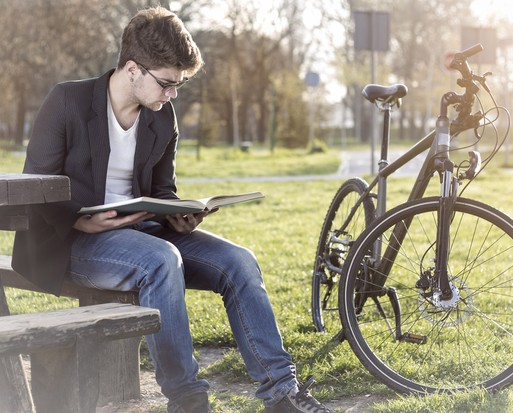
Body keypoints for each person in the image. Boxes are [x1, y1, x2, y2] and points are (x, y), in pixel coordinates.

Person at [12, 6, 332, 413]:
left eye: (178, 84)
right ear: (132, 70)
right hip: (69, 241)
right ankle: (188, 401)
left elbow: (162, 190)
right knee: (161, 260)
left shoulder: (162, 119)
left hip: (142, 233)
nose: (172, 94)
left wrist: (180, 214)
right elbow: (35, 185)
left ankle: (282, 393)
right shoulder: (68, 101)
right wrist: (80, 218)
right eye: (166, 83)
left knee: (239, 261)